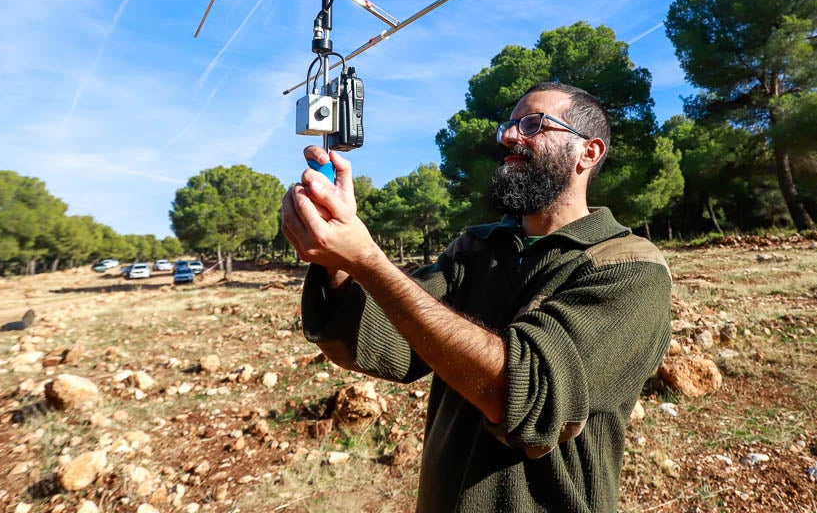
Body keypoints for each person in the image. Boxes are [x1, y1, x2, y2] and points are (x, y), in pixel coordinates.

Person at [281, 81, 672, 513]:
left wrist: (368, 261)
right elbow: (386, 343)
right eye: (508, 124)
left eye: (533, 124)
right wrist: (336, 255)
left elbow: (521, 394)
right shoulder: (476, 249)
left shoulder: (630, 266)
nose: (508, 135)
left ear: (589, 152)